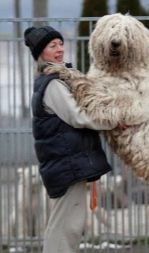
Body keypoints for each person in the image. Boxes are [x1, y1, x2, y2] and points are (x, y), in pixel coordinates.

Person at [24, 26, 116, 253]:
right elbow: (78, 116)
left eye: (60, 43)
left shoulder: (57, 78)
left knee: (68, 225)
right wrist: (113, 121)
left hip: (68, 163)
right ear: (40, 53)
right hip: (67, 164)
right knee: (66, 227)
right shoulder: (53, 84)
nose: (59, 49)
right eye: (52, 46)